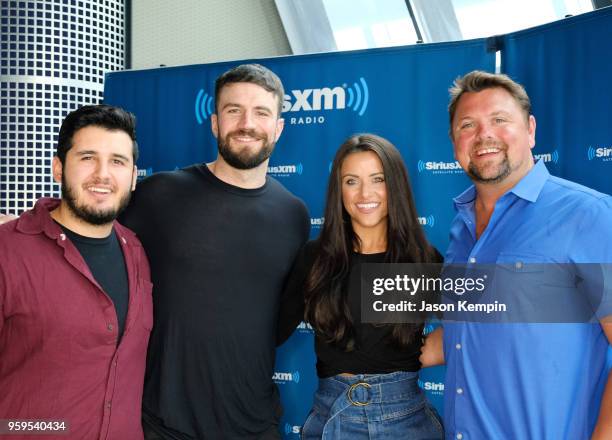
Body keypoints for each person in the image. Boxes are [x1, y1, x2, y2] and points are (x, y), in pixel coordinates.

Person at [120, 63, 310, 439]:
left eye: (261, 112)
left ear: (278, 127)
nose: (246, 123)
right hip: (163, 424)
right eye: (233, 110)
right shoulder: (160, 194)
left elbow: (281, 320)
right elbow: (90, 242)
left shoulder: (294, 215)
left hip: (252, 424)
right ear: (214, 122)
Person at [421, 70, 612, 439]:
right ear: (454, 142)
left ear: (530, 130)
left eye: (499, 120)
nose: (484, 135)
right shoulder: (460, 229)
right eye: (467, 125)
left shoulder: (588, 215)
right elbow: (468, 333)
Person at [277, 133, 444, 439]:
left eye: (377, 179)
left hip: (406, 420)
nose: (365, 192)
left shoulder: (424, 259)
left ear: (395, 186)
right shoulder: (314, 258)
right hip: (331, 415)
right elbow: (270, 332)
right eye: (351, 181)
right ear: (338, 190)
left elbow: (474, 331)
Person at [0, 104, 152, 439]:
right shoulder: (7, 251)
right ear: (58, 167)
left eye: (117, 161)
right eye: (87, 157)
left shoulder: (138, 252)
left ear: (132, 177)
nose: (102, 174)